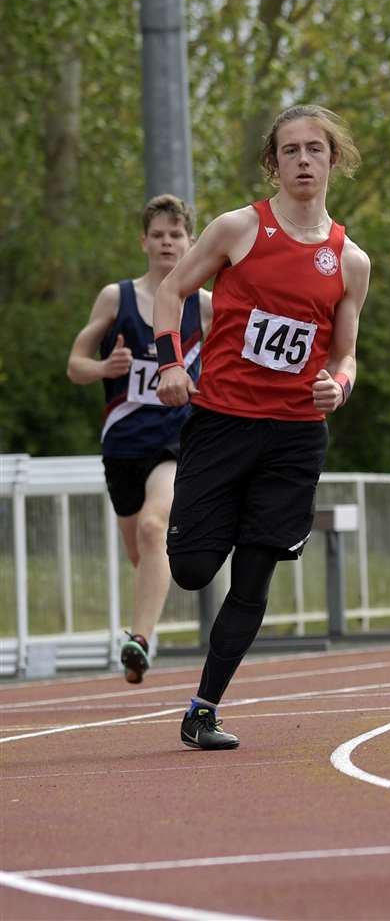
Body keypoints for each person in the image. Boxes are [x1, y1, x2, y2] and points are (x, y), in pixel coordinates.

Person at [155, 105, 371, 748]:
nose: (303, 160)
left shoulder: (350, 260)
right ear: (272, 162)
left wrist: (342, 385)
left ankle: (204, 708)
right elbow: (173, 292)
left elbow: (345, 354)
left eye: (315, 150)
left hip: (295, 435)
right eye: (290, 150)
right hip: (222, 421)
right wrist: (171, 363)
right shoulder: (237, 229)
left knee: (254, 577)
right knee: (193, 568)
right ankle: (202, 527)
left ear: (335, 161)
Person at [65, 195, 212, 683]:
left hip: (177, 439)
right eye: (159, 234)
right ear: (144, 241)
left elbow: (235, 360)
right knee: (140, 550)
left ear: (190, 241)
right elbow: (75, 365)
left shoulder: (205, 306)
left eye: (177, 235)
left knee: (155, 528)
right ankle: (143, 633)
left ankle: (140, 638)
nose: (168, 243)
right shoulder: (117, 297)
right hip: (124, 444)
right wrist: (105, 367)